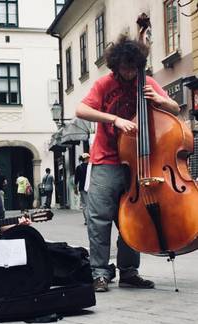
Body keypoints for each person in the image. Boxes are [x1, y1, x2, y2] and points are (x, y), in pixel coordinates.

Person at [75, 35, 179, 292]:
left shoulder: (148, 82)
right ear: (115, 66)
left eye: (134, 68)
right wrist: (114, 119)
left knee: (133, 217)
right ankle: (99, 273)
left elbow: (175, 108)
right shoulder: (104, 84)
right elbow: (81, 110)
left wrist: (161, 100)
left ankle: (129, 272)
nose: (130, 73)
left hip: (139, 161)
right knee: (99, 218)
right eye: (125, 68)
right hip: (106, 160)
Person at [74, 153, 90, 225]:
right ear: (86, 158)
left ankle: (87, 220)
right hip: (91, 187)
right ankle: (90, 220)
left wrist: (75, 189)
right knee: (90, 204)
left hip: (82, 188)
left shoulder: (79, 167)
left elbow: (76, 179)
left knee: (84, 205)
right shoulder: (91, 167)